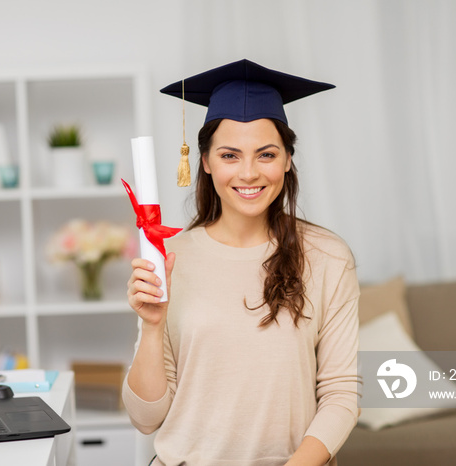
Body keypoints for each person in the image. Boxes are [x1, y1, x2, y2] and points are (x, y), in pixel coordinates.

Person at [123, 59, 360, 466]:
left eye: (266, 154)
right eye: (230, 155)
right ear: (205, 161)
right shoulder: (168, 257)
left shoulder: (327, 256)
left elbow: (341, 393)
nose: (248, 173)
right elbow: (146, 419)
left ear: (287, 159)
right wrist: (152, 326)